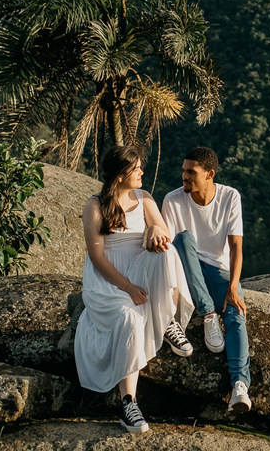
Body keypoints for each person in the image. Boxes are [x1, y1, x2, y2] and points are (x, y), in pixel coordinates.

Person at [74, 145, 195, 433]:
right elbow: (97, 258)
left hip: (140, 268)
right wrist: (127, 287)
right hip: (109, 282)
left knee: (166, 252)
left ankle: (167, 320)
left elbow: (163, 233)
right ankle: (128, 402)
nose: (141, 172)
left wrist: (155, 230)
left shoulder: (144, 199)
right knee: (129, 319)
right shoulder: (95, 206)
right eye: (136, 168)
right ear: (119, 175)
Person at [161, 146, 252, 413]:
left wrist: (233, 287)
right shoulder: (173, 200)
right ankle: (208, 313)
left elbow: (236, 247)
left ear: (209, 174)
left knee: (236, 312)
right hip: (185, 269)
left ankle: (239, 386)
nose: (184, 176)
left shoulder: (229, 197)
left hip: (217, 270)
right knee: (184, 239)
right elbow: (169, 249)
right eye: (183, 171)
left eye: (191, 172)